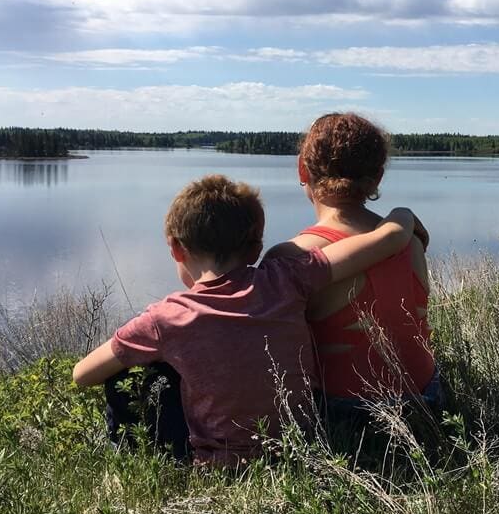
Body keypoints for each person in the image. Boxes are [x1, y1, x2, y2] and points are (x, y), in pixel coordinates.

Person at [72, 173, 422, 467]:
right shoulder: (287, 278)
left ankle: (138, 466)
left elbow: (82, 374)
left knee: (129, 375)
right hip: (299, 449)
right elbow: (387, 238)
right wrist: (403, 215)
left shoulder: (166, 318)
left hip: (220, 467)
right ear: (256, 249)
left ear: (177, 249)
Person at [265, 114, 441, 448]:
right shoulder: (411, 241)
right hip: (426, 398)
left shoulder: (290, 256)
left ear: (303, 169)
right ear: (377, 178)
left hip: (347, 413)